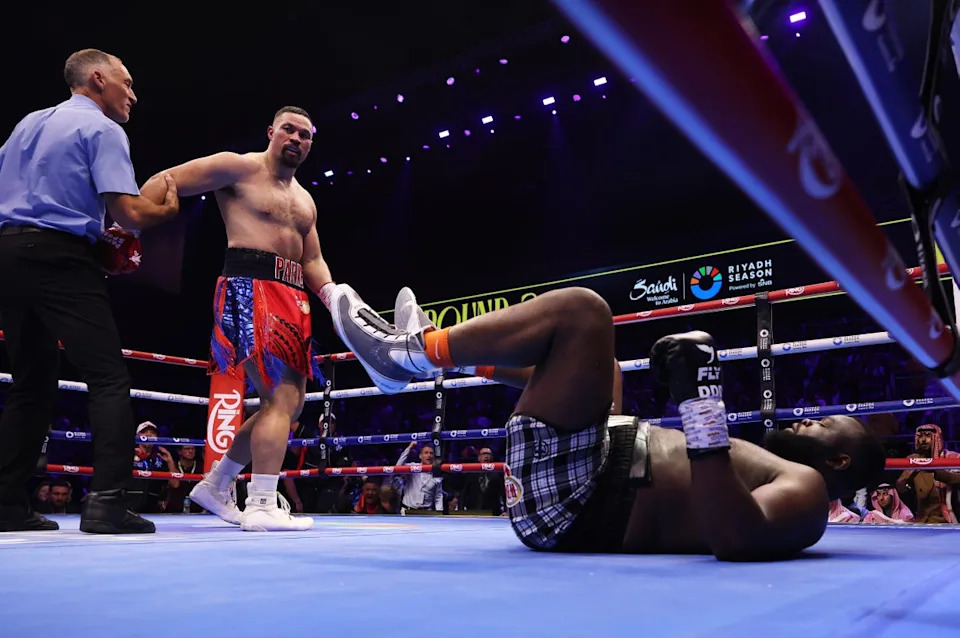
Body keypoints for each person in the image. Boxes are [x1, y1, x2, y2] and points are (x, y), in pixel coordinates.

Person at [328, 284, 887, 560]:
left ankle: (411, 353)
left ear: (840, 459)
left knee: (584, 312)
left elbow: (734, 538)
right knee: (606, 368)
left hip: (581, 501)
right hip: (587, 478)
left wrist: (701, 407)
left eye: (825, 426)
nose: (810, 419)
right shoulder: (785, 473)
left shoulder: (808, 490)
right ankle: (439, 359)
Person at [0, 48, 179, 533]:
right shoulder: (102, 129)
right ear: (98, 79)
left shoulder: (26, 125)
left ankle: (8, 505)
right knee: (107, 378)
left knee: (30, 384)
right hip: (60, 259)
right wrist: (163, 212)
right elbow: (131, 213)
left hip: (10, 255)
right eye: (127, 82)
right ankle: (106, 503)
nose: (133, 95)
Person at [139, 106, 335, 531]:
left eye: (305, 134)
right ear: (271, 132)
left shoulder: (304, 200)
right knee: (279, 401)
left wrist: (333, 296)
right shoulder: (238, 168)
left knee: (289, 406)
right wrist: (128, 227)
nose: (297, 139)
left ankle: (217, 483)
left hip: (293, 293)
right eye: (289, 129)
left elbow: (313, 258)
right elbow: (166, 181)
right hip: (250, 287)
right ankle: (262, 502)